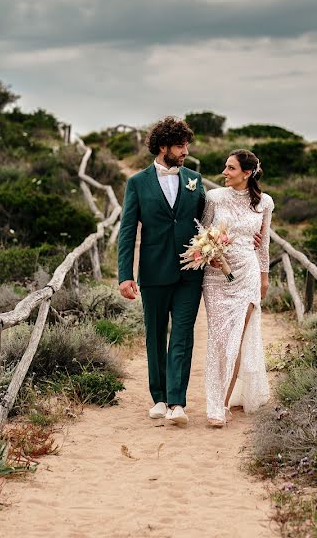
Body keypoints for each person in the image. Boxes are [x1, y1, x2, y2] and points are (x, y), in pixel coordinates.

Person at [117, 117, 205, 425]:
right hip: (153, 272)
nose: (185, 151)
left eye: (187, 146)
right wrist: (125, 274)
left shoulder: (195, 179)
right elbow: (127, 230)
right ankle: (159, 398)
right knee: (155, 335)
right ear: (163, 147)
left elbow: (209, 217)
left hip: (190, 274)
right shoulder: (137, 183)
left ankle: (177, 403)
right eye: (180, 146)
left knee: (182, 335)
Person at [201, 149, 273, 427]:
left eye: (230, 168)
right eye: (225, 167)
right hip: (216, 278)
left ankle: (220, 405)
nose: (224, 173)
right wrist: (209, 255)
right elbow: (201, 233)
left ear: (247, 173)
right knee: (220, 339)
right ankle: (216, 400)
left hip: (248, 276)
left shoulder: (264, 203)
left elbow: (264, 243)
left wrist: (264, 278)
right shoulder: (214, 198)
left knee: (236, 339)